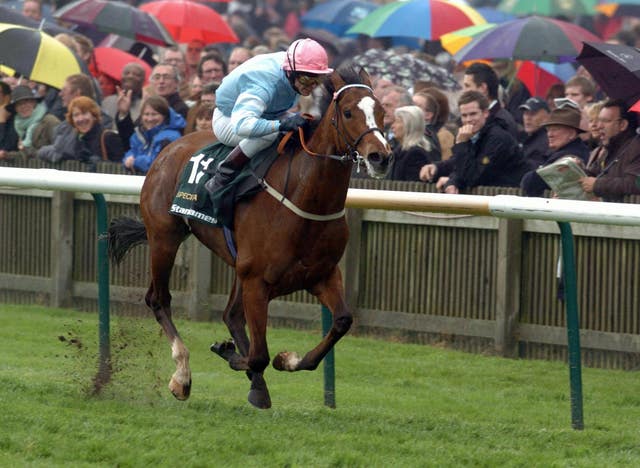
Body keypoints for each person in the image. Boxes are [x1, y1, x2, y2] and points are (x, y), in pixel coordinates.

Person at [203, 38, 334, 197]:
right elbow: (243, 125)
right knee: (269, 134)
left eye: (318, 80)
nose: (312, 86)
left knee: (306, 125)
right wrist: (280, 125)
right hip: (229, 119)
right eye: (306, 79)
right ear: (290, 71)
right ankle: (223, 174)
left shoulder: (295, 66)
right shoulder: (263, 84)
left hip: (268, 112)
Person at [419, 91, 528, 194]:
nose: (468, 120)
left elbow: (474, 175)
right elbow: (459, 163)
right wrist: (437, 167)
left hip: (511, 199)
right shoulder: (472, 134)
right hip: (492, 197)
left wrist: (462, 145)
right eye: (464, 115)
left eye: (473, 114)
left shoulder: (497, 137)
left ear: (485, 113)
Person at [520, 102, 590, 197]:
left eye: (555, 129)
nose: (550, 134)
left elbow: (530, 182)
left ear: (571, 134)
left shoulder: (569, 155)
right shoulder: (570, 150)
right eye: (548, 130)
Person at [580, 99, 640, 202]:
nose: (599, 126)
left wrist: (597, 184)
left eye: (606, 121)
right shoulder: (609, 147)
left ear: (622, 125)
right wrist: (577, 168)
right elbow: (593, 174)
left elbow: (635, 183)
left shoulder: (636, 147)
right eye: (599, 120)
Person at [38, 96, 122, 169]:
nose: (81, 119)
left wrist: (98, 163)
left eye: (84, 113)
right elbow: (43, 152)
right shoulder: (73, 140)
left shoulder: (108, 137)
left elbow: (121, 167)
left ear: (94, 115)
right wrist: (62, 156)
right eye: (76, 115)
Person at [122, 95, 185, 175]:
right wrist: (127, 159)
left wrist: (135, 161)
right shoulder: (138, 135)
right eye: (146, 114)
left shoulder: (170, 138)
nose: (150, 119)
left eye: (154, 114)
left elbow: (158, 164)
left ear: (164, 116)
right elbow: (132, 151)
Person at [0, 85, 59, 162]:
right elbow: (22, 154)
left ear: (34, 102)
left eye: (27, 101)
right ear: (15, 109)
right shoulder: (18, 126)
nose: (23, 106)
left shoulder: (49, 121)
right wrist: (6, 155)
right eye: (19, 104)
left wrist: (27, 150)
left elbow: (58, 151)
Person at [461, 62, 518, 139]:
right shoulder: (472, 118)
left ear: (482, 88)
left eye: (467, 86)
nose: (464, 91)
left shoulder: (502, 122)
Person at [387, 105, 439, 181]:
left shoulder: (415, 154)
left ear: (409, 125)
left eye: (397, 121)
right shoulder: (399, 151)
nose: (392, 126)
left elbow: (412, 187)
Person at [518, 97, 550, 168]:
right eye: (525, 113)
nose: (527, 118)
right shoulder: (526, 137)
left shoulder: (547, 141)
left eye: (532, 114)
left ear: (546, 117)